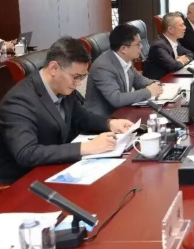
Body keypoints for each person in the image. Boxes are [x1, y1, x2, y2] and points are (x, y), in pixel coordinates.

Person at [0, 37, 133, 184]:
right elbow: (27, 153)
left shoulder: (63, 87)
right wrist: (86, 147)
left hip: (56, 168)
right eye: (75, 77)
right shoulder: (18, 101)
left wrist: (109, 124)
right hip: (22, 182)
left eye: (82, 77)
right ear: (54, 68)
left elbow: (81, 116)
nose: (78, 84)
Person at [85, 24, 164, 118]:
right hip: (102, 119)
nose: (141, 47)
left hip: (122, 112)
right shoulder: (103, 67)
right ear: (123, 49)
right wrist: (149, 91)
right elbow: (117, 99)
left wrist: (157, 84)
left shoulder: (125, 59)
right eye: (138, 44)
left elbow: (139, 81)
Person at [143, 12, 194, 80]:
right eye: (181, 25)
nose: (185, 27)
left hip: (172, 79)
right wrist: (180, 62)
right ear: (170, 29)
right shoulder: (159, 46)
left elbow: (190, 54)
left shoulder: (174, 41)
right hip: (158, 82)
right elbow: (174, 66)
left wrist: (182, 60)